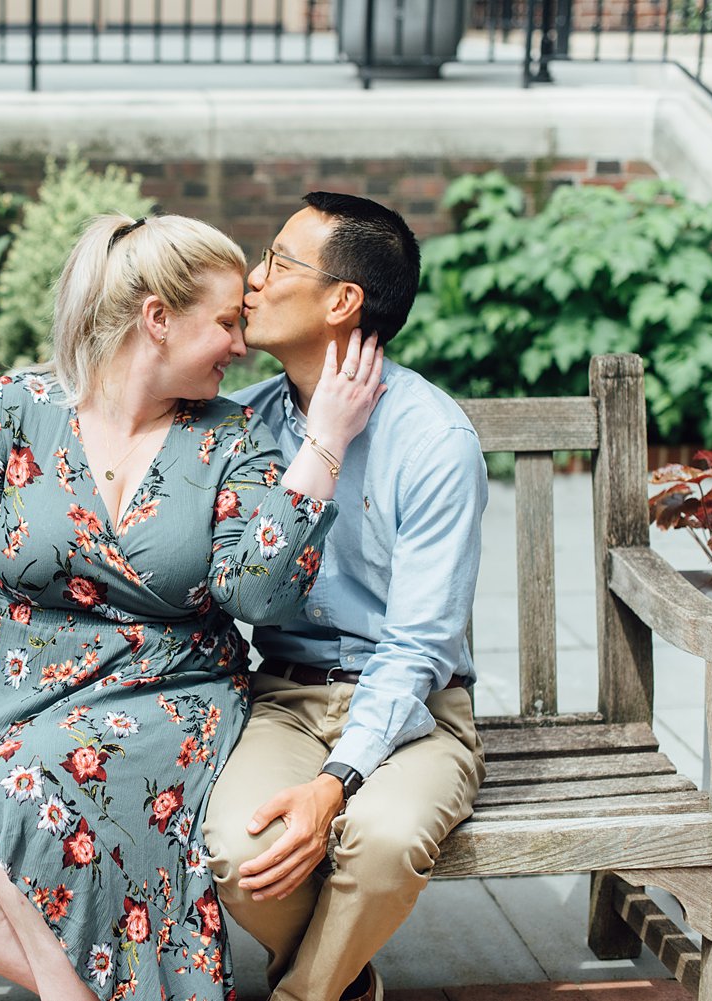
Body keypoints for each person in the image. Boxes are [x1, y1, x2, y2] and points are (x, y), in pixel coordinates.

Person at [0, 213, 387, 1000]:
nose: (241, 346)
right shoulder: (8, 410)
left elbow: (257, 593)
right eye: (227, 323)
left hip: (165, 694)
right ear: (157, 319)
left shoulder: (233, 436)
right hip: (14, 690)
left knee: (19, 794)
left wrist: (324, 444)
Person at [203, 192, 490, 1001]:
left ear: (342, 300)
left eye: (278, 262)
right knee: (235, 845)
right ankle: (344, 977)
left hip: (418, 711)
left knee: (385, 837)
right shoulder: (247, 426)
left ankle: (307, 992)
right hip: (285, 699)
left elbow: (420, 648)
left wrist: (337, 780)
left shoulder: (432, 438)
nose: (252, 281)